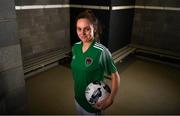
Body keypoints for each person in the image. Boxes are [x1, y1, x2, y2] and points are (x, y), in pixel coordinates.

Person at [71, 10, 120, 115]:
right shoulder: (75, 47)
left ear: (94, 28)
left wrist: (110, 99)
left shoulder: (101, 51)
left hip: (93, 105)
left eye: (87, 29)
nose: (82, 33)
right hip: (78, 99)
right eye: (79, 29)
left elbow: (115, 76)